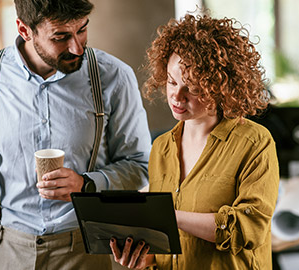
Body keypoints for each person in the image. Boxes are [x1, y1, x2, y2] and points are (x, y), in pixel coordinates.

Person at [0, 0, 151, 269]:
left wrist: (86, 184)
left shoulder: (113, 76)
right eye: (61, 37)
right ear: (23, 29)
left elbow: (139, 165)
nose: (77, 47)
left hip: (84, 249)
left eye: (82, 30)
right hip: (4, 249)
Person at [110, 14, 280, 270]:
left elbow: (249, 229)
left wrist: (169, 217)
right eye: (171, 81)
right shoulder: (162, 147)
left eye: (193, 88)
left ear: (220, 86)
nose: (176, 96)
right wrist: (144, 259)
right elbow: (165, 245)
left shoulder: (254, 142)